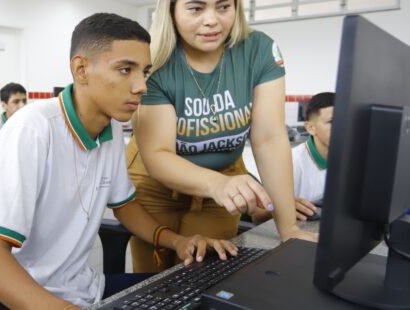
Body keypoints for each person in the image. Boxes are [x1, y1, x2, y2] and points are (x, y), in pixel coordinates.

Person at [0, 13, 237, 309]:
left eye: (144, 72)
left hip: (84, 290)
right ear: (81, 69)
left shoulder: (110, 128)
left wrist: (178, 242)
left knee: (201, 291)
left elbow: (125, 205)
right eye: (125, 70)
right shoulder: (32, 131)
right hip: (27, 297)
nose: (141, 86)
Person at [126, 0, 317, 272]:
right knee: (154, 277)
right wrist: (216, 185)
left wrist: (288, 227)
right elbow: (158, 155)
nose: (212, 20)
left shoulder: (259, 50)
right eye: (196, 8)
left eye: (223, 7)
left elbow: (269, 138)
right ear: (171, 11)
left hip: (223, 177)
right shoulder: (155, 60)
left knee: (204, 269)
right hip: (156, 183)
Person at [291, 92, 333, 220]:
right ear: (310, 128)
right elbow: (258, 214)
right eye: (332, 121)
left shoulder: (354, 158)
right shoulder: (291, 161)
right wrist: (280, 207)